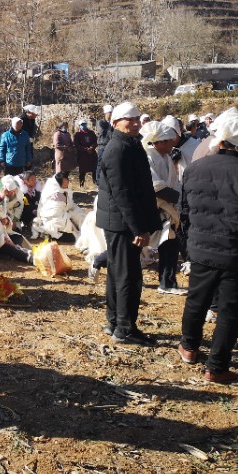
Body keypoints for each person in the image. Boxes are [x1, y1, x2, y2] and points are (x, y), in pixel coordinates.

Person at [179, 116, 238, 383]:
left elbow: (184, 213)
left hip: (201, 249)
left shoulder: (194, 168)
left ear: (219, 140)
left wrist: (188, 247)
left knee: (197, 301)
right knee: (230, 311)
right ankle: (216, 367)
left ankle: (188, 347)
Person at [96, 102, 162, 345]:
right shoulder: (118, 150)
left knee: (118, 271)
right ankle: (124, 327)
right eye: (128, 119)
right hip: (122, 223)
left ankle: (114, 320)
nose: (134, 123)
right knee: (128, 275)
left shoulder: (128, 144)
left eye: (136, 118)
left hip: (120, 220)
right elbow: (123, 193)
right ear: (115, 123)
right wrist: (138, 228)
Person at [140, 121, 185, 295]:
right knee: (132, 247)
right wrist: (178, 198)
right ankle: (99, 260)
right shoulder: (147, 157)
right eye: (168, 142)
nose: (172, 145)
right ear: (159, 142)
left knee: (170, 245)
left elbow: (173, 183)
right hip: (152, 208)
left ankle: (167, 282)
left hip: (166, 210)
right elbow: (155, 186)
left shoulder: (166, 158)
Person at [33, 172, 87, 241]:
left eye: (67, 183)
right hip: (53, 217)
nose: (67, 185)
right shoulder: (55, 193)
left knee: (80, 215)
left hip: (65, 210)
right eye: (64, 184)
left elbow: (69, 204)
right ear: (59, 184)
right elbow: (55, 211)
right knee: (69, 233)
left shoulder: (64, 188)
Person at [73, 119, 98, 187]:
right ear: (79, 126)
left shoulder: (91, 133)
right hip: (82, 155)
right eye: (82, 125)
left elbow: (95, 142)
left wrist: (91, 148)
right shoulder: (77, 134)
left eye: (84, 124)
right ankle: (82, 184)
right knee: (82, 171)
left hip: (91, 154)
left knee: (94, 170)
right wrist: (85, 149)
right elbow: (76, 145)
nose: (83, 126)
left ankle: (95, 183)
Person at [95, 104, 114, 183]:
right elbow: (102, 132)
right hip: (102, 146)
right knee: (101, 164)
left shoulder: (112, 123)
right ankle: (98, 180)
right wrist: (110, 128)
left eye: (111, 113)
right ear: (106, 113)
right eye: (109, 113)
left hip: (110, 146)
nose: (110, 114)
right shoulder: (100, 122)